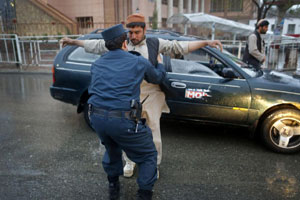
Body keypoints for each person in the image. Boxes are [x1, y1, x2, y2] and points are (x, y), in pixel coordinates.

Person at [60, 13, 223, 178]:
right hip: (128, 96)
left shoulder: (155, 43)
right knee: (127, 132)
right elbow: (95, 44)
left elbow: (178, 46)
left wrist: (206, 43)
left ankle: (153, 164)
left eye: (137, 32)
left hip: (151, 93)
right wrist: (74, 42)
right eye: (130, 33)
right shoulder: (121, 43)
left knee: (153, 131)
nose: (133, 36)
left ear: (145, 30)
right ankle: (129, 162)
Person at [88, 24, 166, 200]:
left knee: (112, 146)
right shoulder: (136, 60)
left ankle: (113, 187)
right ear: (125, 42)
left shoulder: (97, 64)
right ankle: (144, 194)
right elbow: (156, 78)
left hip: (97, 119)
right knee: (148, 156)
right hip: (122, 120)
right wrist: (160, 64)